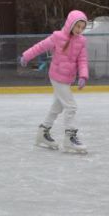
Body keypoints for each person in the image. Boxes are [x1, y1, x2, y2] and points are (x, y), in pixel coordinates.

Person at [20, 9, 89, 153]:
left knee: (58, 107)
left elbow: (82, 60)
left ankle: (43, 133)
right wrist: (26, 56)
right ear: (71, 23)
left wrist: (83, 75)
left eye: (83, 27)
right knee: (71, 107)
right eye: (78, 26)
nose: (80, 30)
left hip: (68, 78)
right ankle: (70, 138)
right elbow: (41, 46)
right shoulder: (58, 37)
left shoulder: (81, 41)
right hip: (57, 77)